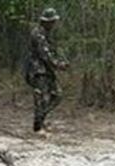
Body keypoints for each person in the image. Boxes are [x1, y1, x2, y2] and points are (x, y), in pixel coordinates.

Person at [25, 8, 68, 137]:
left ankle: (41, 121)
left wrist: (60, 61)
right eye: (52, 21)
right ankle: (37, 127)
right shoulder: (38, 34)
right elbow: (45, 55)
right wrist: (58, 65)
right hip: (38, 71)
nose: (54, 24)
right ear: (46, 22)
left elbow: (52, 52)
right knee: (41, 99)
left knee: (57, 95)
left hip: (46, 71)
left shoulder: (46, 34)